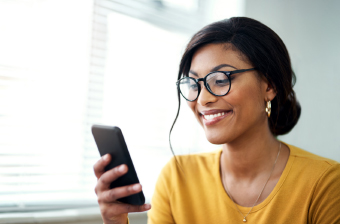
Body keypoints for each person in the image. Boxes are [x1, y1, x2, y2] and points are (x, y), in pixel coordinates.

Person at [93, 17, 340, 224]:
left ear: (270, 85)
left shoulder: (326, 182)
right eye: (193, 83)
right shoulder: (177, 177)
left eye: (221, 80)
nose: (203, 99)